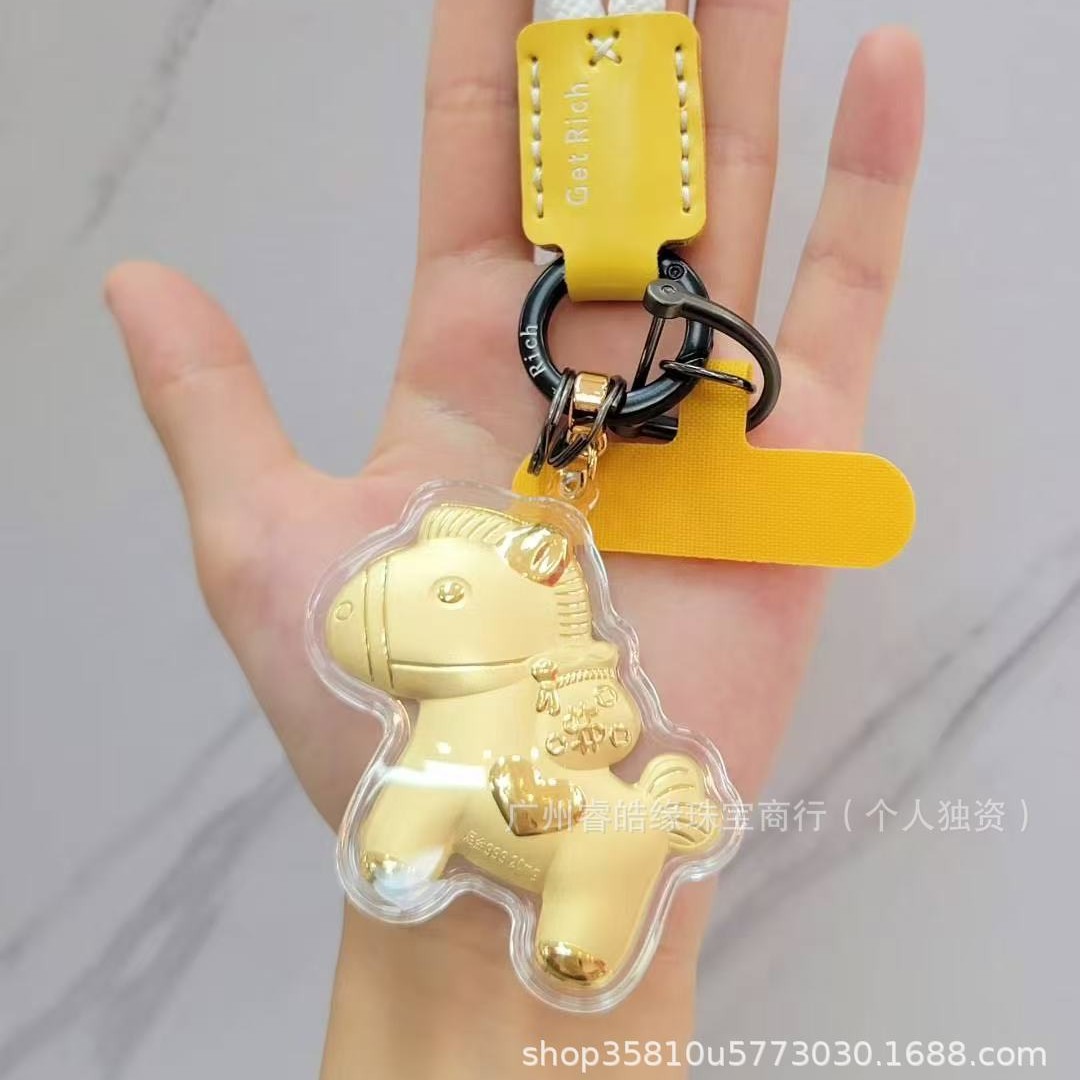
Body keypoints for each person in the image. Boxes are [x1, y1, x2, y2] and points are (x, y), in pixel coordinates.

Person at [104, 1, 924, 1075]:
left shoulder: (460, 730)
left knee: (591, 894)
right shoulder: (435, 736)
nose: (391, 598)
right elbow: (409, 822)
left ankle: (597, 897)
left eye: (444, 594)